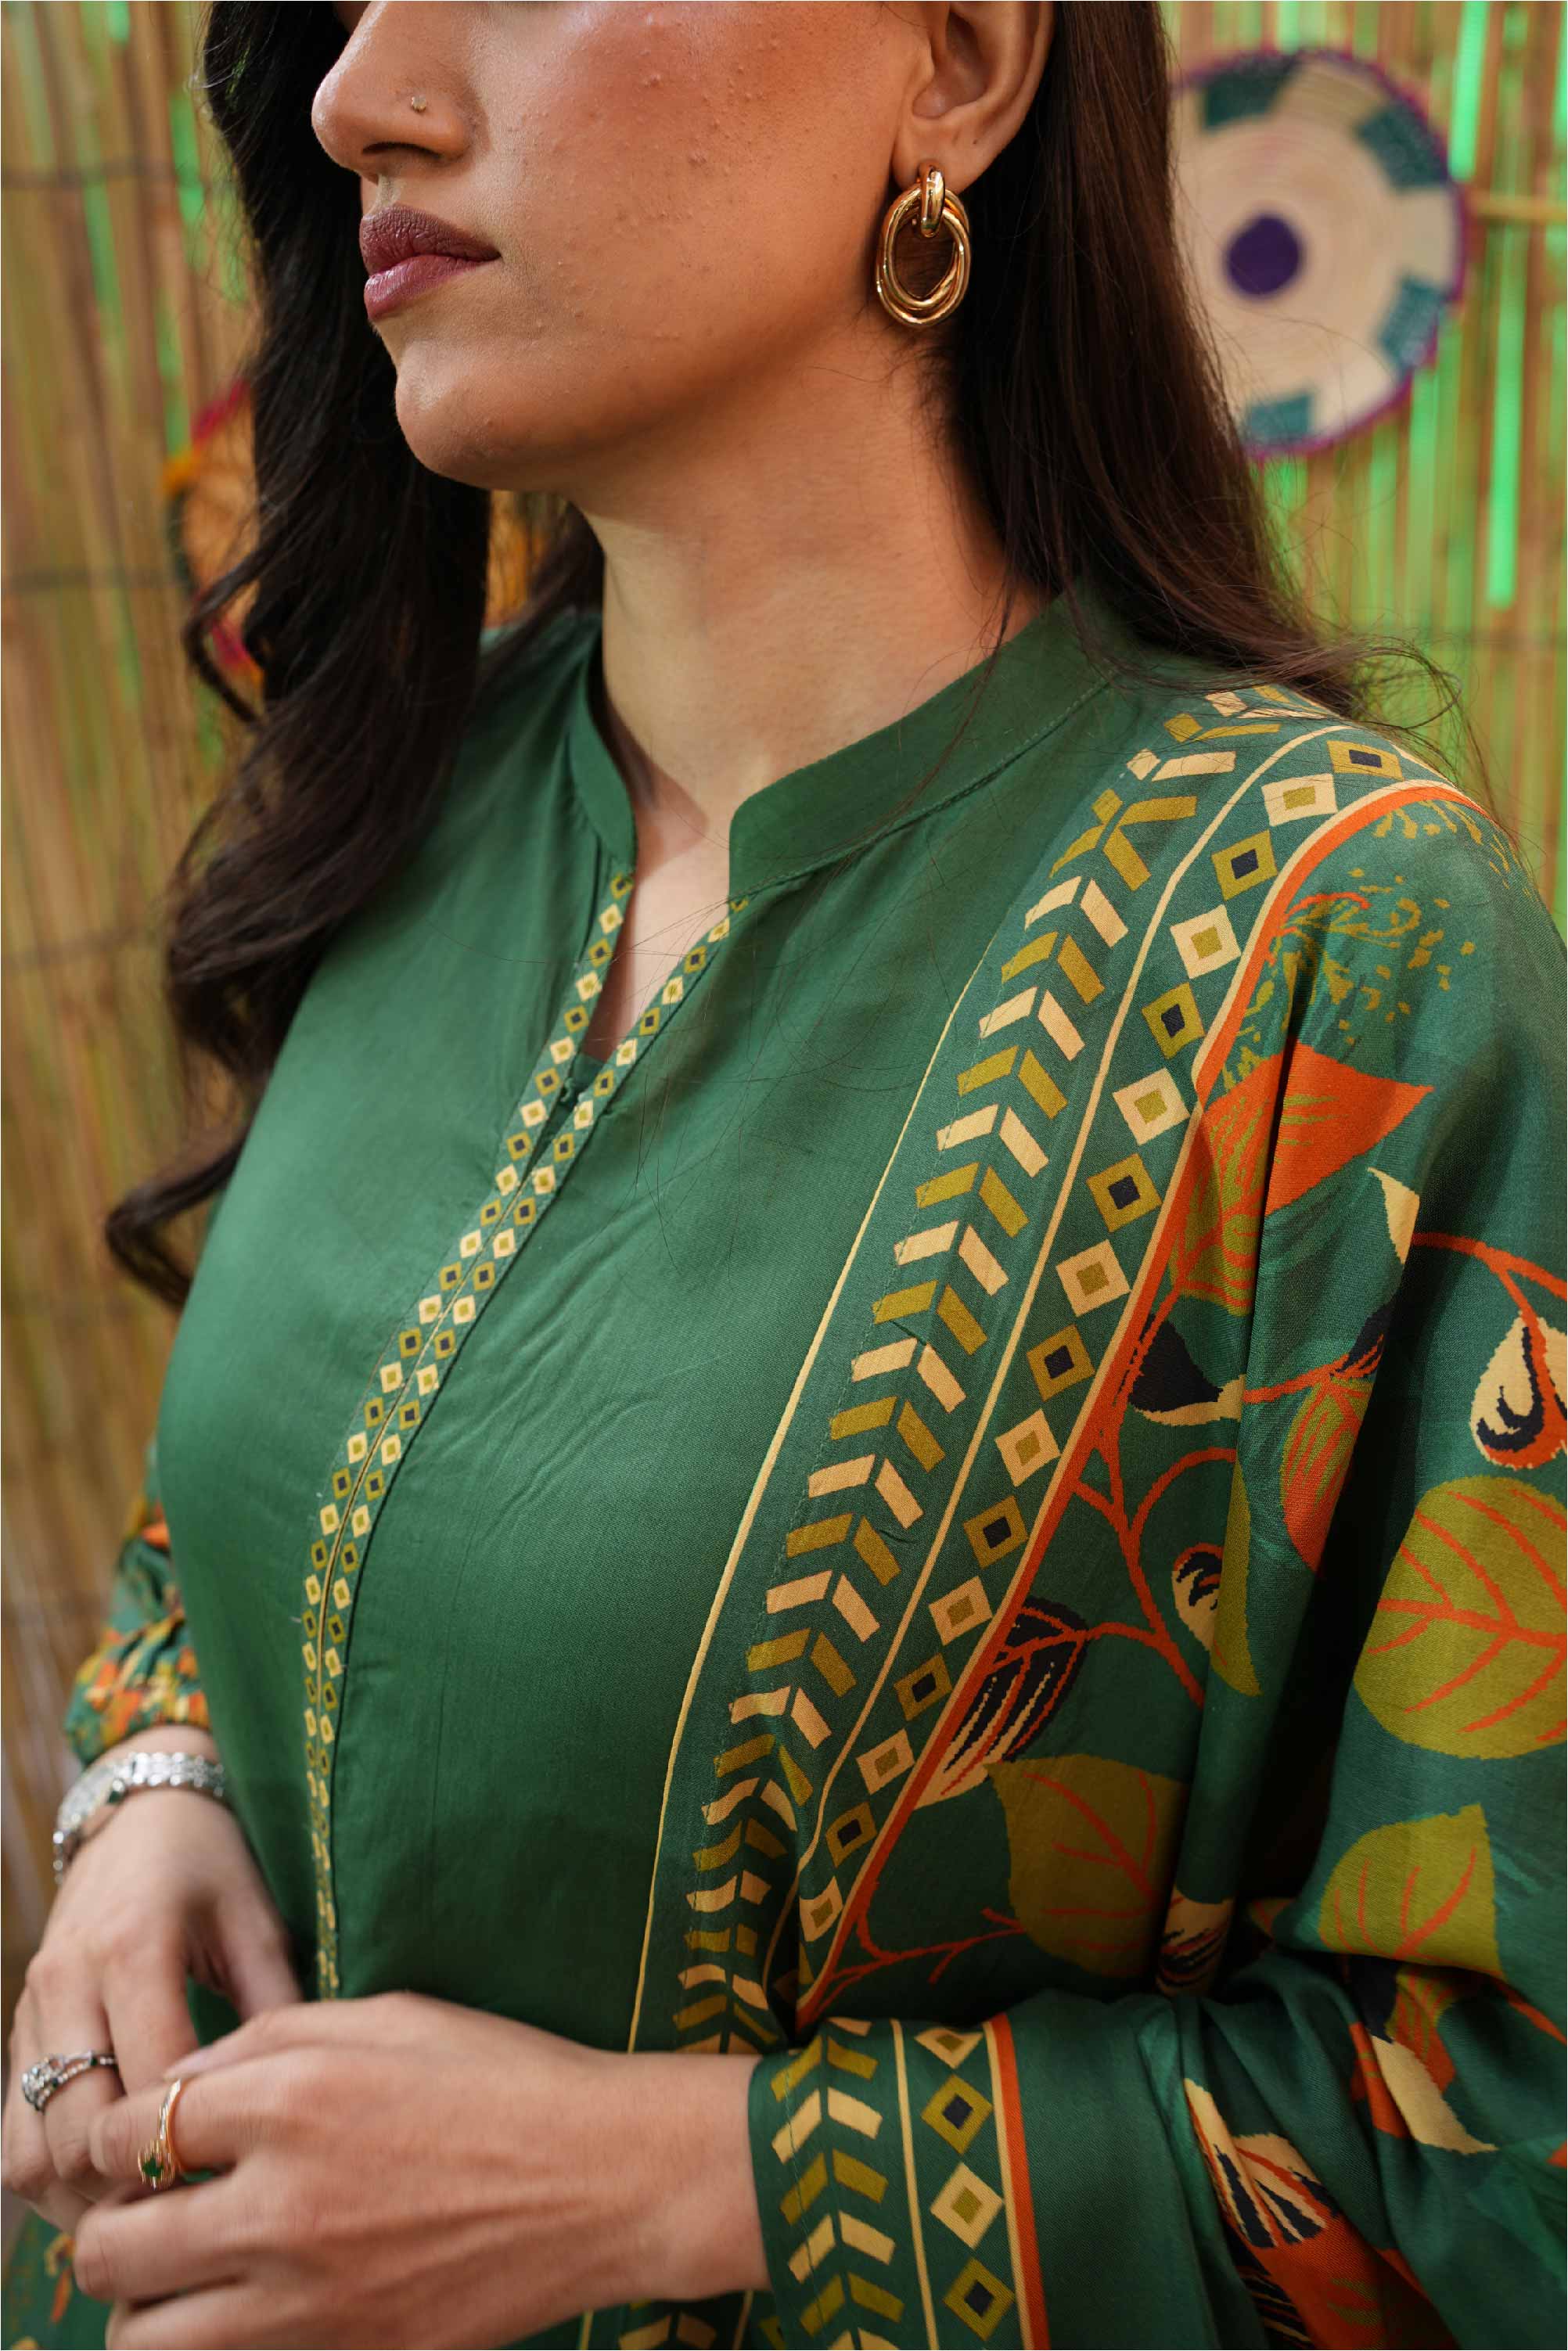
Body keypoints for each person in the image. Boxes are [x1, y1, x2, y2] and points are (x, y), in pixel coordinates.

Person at [3, 4, 1563, 2347]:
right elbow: (273, 1490)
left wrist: (686, 2187)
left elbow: (1510, 2155)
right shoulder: (425, 796)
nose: (359, 87)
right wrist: (155, 1784)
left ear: (953, 62)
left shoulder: (1337, 977)